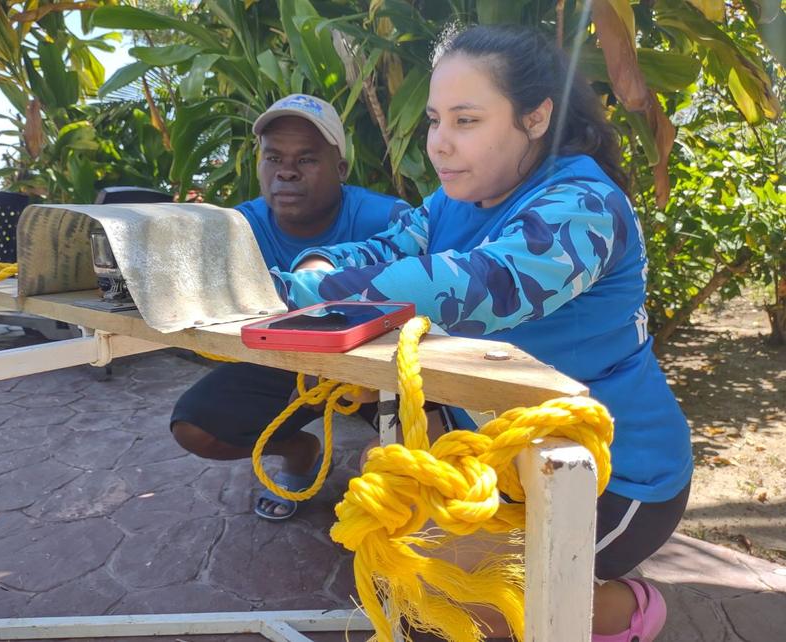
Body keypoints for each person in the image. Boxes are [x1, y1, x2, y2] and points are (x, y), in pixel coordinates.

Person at [271, 25, 692, 642]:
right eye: (435, 120)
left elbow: (477, 289)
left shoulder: (584, 205)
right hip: (504, 459)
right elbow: (386, 249)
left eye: (466, 120)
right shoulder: (455, 199)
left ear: (536, 117)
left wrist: (294, 289)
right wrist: (317, 266)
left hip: (610, 477)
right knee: (397, 564)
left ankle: (624, 609)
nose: (440, 144)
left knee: (445, 597)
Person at [170, 94, 410, 521]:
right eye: (273, 157)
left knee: (418, 463)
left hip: (381, 371)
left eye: (306, 159)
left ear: (341, 170)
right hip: (287, 365)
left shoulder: (393, 222)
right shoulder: (236, 228)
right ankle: (300, 452)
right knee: (195, 426)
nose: (286, 172)